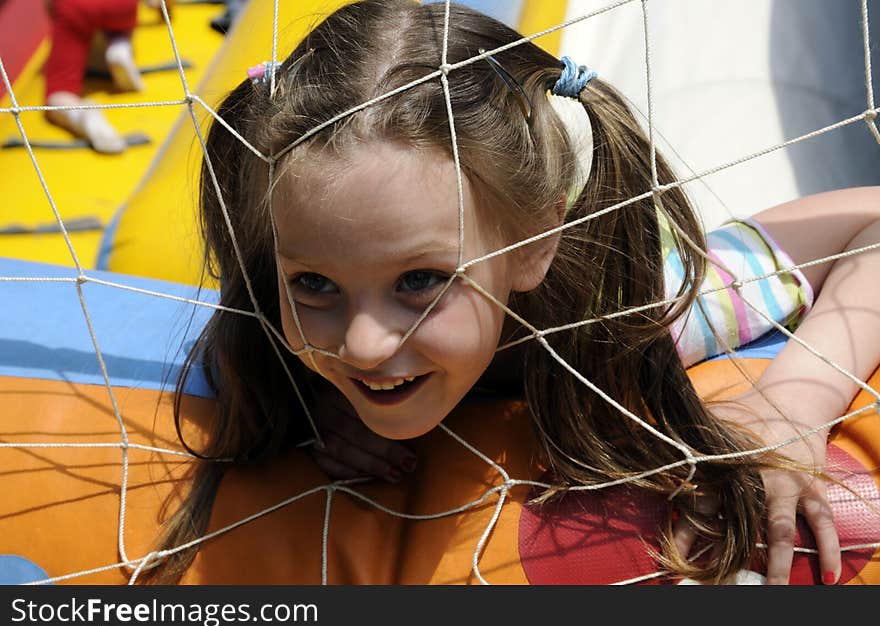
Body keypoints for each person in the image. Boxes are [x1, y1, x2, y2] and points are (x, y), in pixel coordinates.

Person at [149, 0, 880, 584]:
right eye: (314, 283)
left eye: (420, 281)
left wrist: (795, 401)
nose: (365, 340)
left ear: (533, 243)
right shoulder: (270, 304)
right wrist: (319, 402)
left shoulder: (637, 311)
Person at [42, 0, 169, 153]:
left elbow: (49, 6)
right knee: (119, 19)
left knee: (59, 92)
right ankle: (120, 47)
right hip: (120, 7)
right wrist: (166, 11)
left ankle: (80, 115)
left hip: (75, 7)